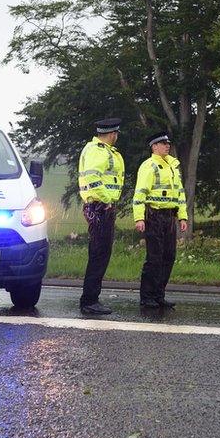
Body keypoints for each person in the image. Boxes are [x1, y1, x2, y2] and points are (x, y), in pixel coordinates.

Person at [133, 131, 188, 309]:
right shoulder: (149, 166)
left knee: (169, 256)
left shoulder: (172, 167)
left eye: (168, 143)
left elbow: (179, 194)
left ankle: (159, 295)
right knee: (154, 257)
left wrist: (182, 216)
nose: (167, 146)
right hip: (154, 215)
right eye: (163, 143)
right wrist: (139, 218)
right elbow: (140, 193)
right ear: (154, 146)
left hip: (169, 217)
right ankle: (147, 296)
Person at [77, 118, 125, 315]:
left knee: (100, 253)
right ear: (112, 134)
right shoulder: (98, 150)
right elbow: (93, 177)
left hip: (100, 206)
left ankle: (91, 299)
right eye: (116, 134)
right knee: (99, 254)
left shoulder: (100, 150)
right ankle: (89, 300)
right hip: (100, 207)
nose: (117, 137)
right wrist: (107, 200)